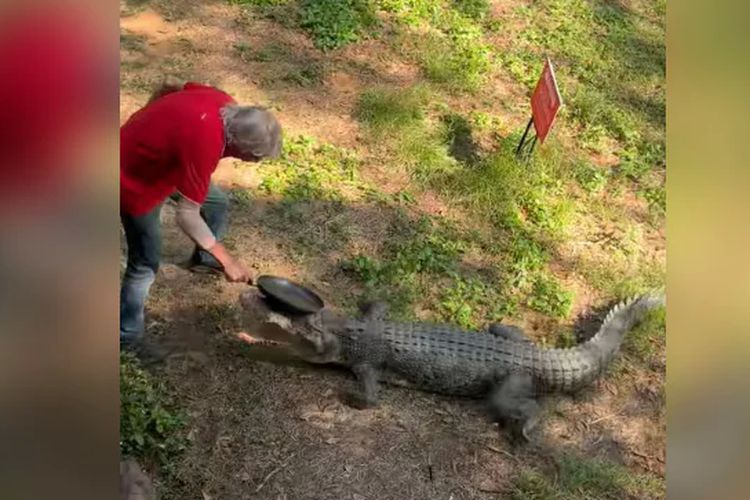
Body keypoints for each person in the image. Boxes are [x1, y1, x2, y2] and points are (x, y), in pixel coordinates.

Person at [120, 80, 282, 349]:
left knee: (216, 202)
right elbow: (187, 215)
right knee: (144, 265)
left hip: (165, 165)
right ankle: (127, 338)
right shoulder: (205, 143)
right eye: (254, 157)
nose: (254, 162)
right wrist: (228, 260)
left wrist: (155, 124)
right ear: (238, 146)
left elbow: (169, 87)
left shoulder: (223, 102)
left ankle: (204, 260)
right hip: (132, 180)